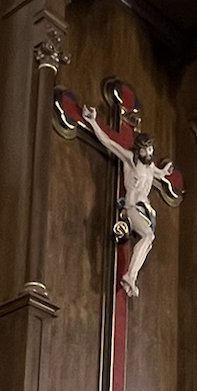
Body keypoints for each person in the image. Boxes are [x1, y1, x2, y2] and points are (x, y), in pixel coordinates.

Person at [81, 103, 178, 296]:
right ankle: (130, 276)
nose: (149, 154)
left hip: (145, 210)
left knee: (148, 241)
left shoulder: (149, 165)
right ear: (138, 150)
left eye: (151, 150)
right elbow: (108, 143)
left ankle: (131, 276)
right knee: (148, 237)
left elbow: (157, 173)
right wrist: (92, 121)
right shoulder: (130, 160)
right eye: (145, 151)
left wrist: (164, 172)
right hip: (131, 207)